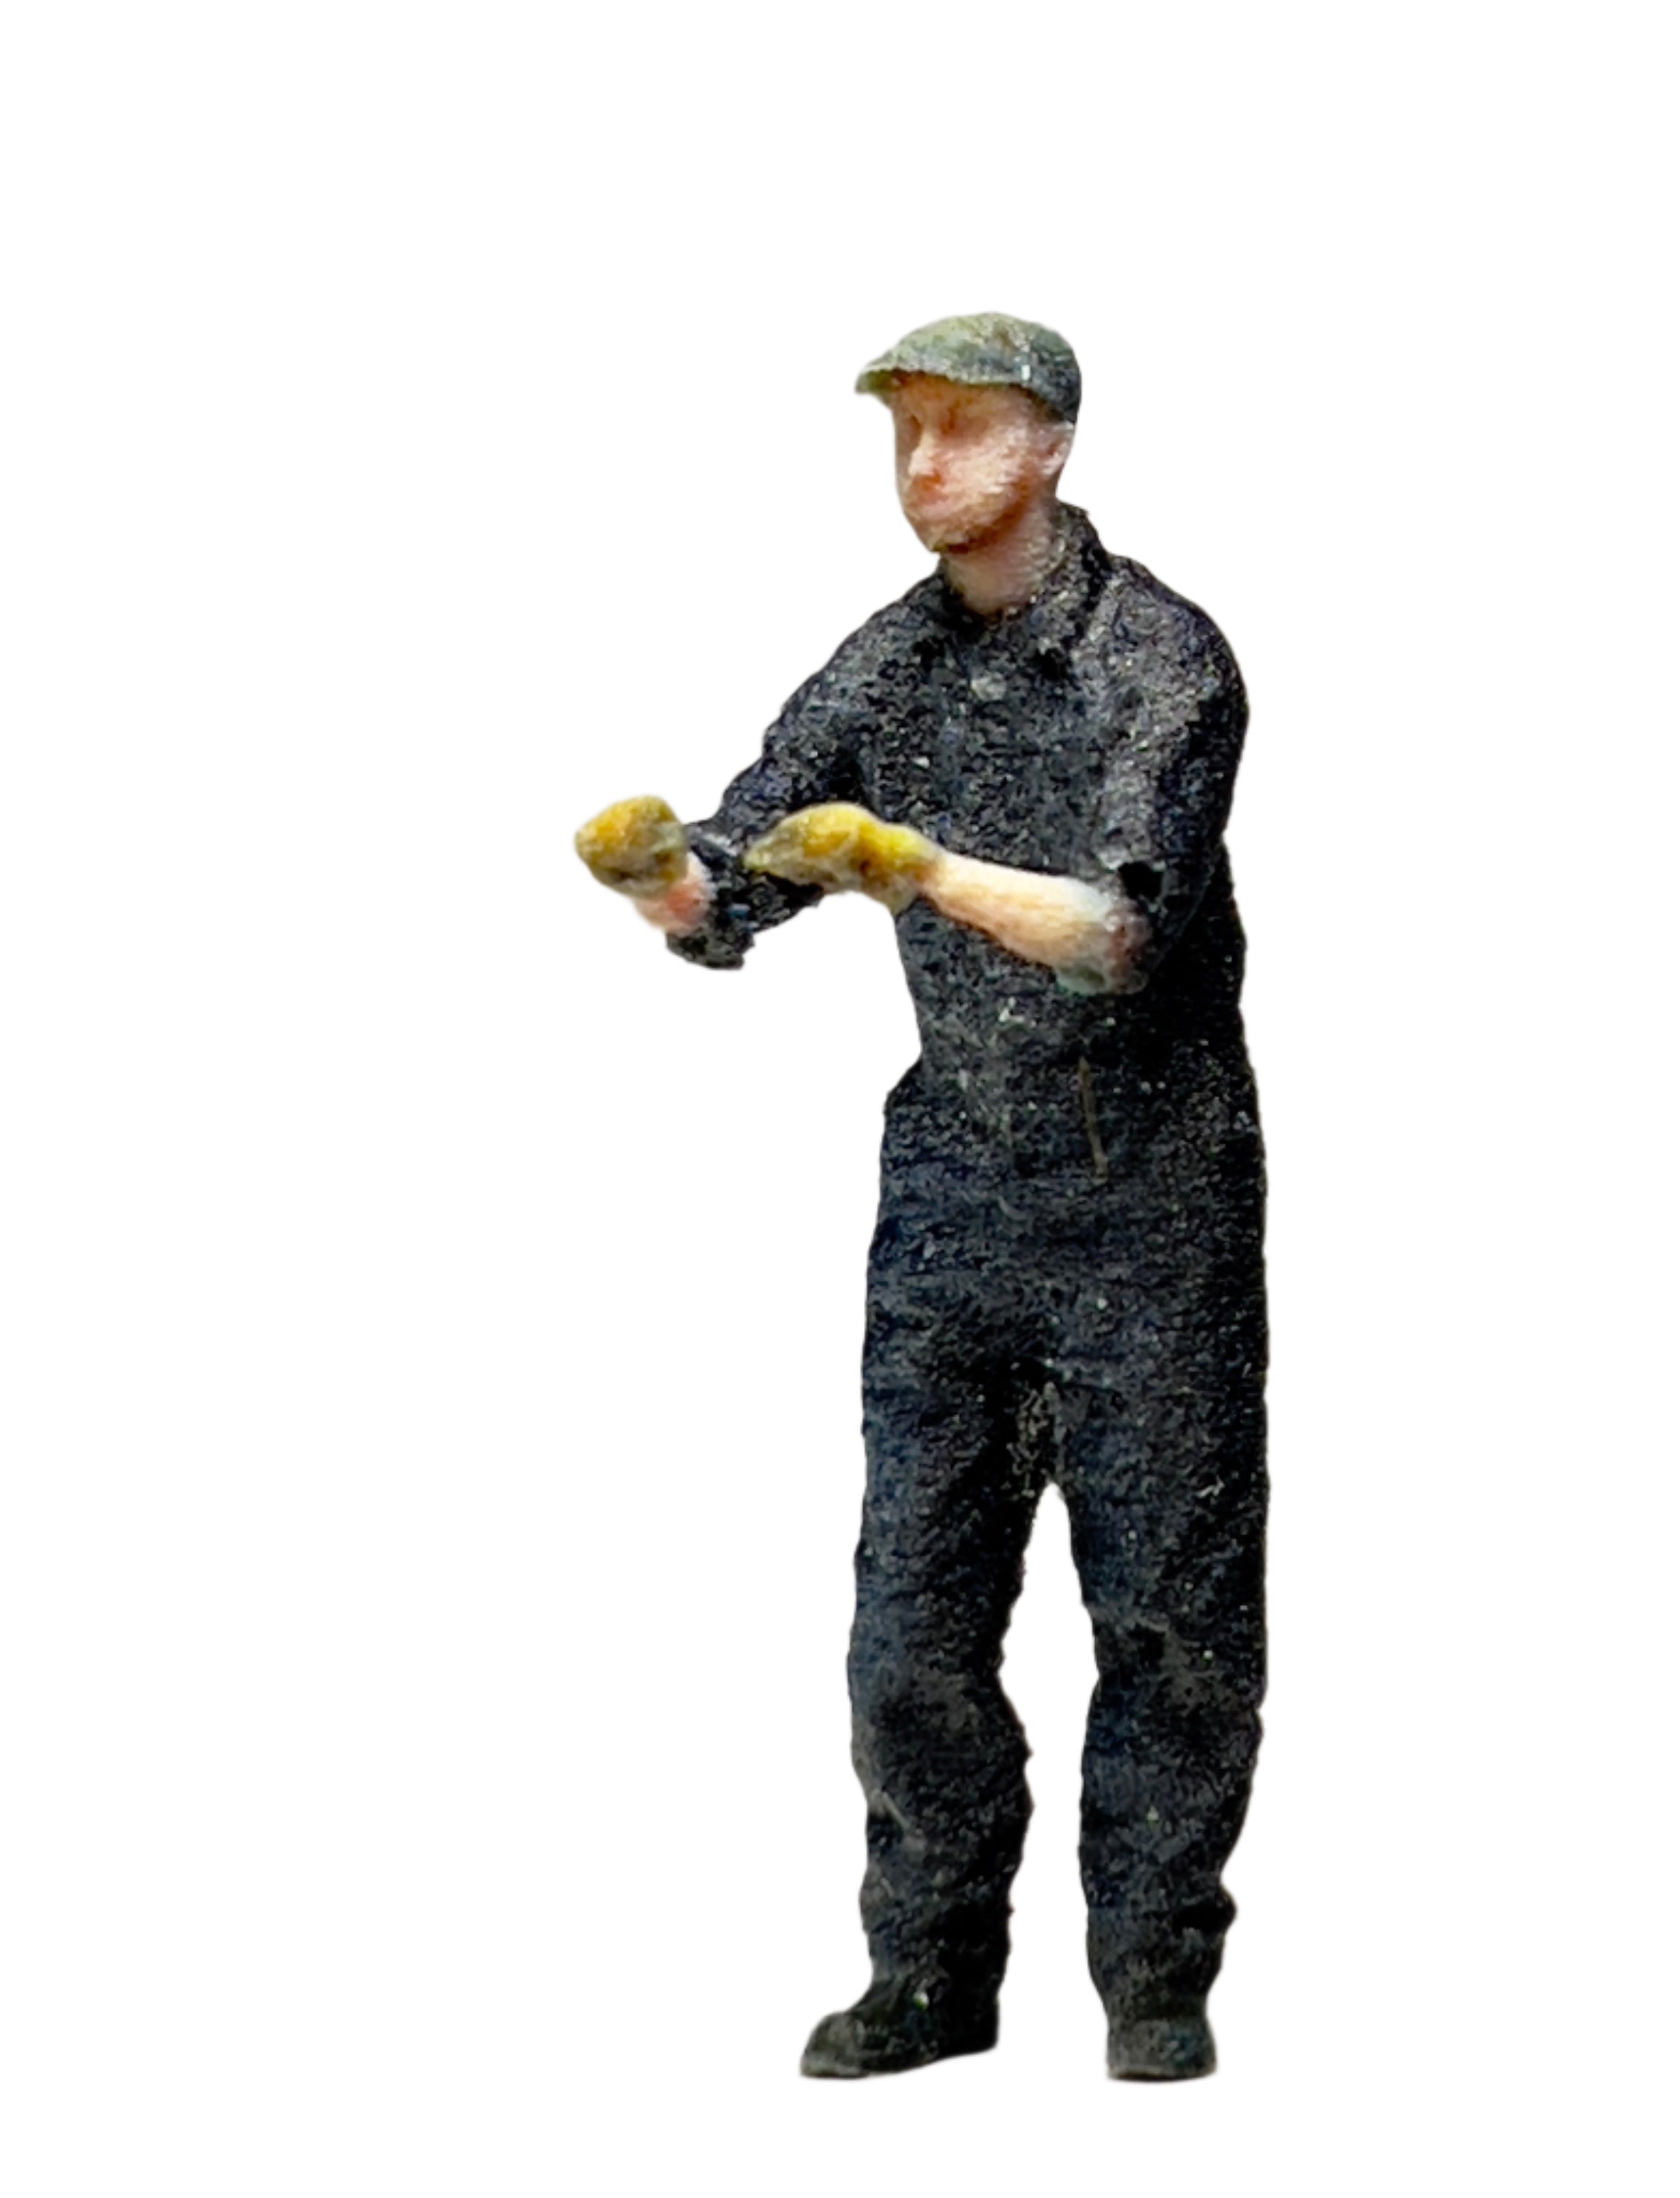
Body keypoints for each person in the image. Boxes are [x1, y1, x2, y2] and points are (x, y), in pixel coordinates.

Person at [576, 315, 1265, 2081]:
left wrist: (917, 866)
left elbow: (1122, 934)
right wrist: (669, 882)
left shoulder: (1162, 660)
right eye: (905, 432)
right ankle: (931, 1971)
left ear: (1053, 446)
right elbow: (749, 860)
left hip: (1152, 1193)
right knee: (911, 1624)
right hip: (957, 1188)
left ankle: (1155, 1977)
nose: (925, 463)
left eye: (964, 428)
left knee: (1170, 1611)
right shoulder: (890, 665)